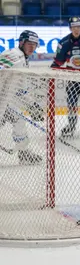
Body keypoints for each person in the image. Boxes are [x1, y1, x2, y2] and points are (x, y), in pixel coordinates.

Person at [0, 30, 43, 164]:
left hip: (8, 102)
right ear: (21, 42)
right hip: (1, 100)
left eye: (34, 45)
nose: (32, 47)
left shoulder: (24, 59)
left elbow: (21, 88)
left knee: (19, 121)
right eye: (29, 44)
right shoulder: (13, 54)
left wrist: (32, 105)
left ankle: (24, 153)